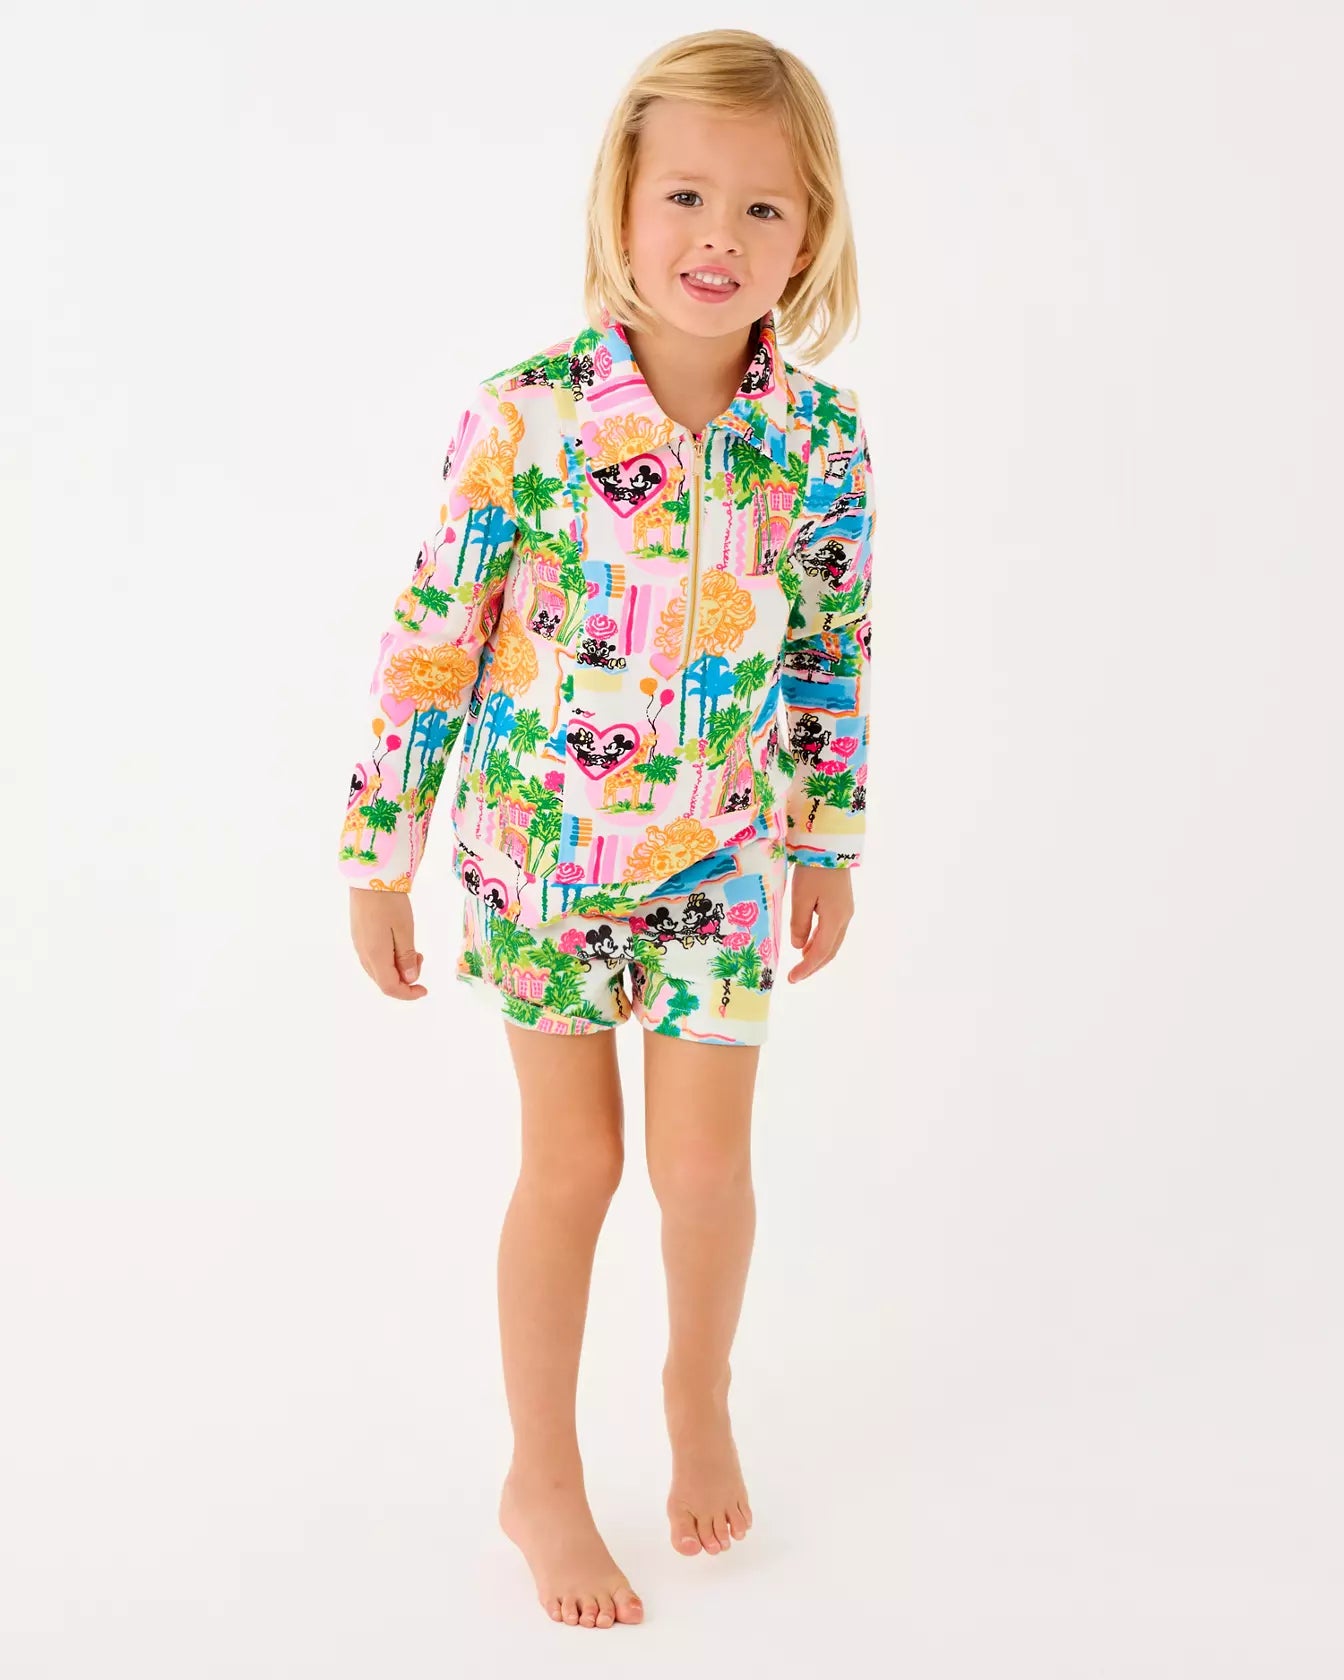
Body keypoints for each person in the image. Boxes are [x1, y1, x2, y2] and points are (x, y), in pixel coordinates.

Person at [337, 28, 876, 1631]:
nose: (720, 237)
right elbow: (432, 639)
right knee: (572, 1167)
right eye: (686, 197)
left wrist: (828, 841)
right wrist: (381, 854)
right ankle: (543, 1479)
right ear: (621, 207)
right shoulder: (529, 420)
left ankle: (697, 1389)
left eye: (764, 209)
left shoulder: (821, 443)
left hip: (725, 860)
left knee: (705, 1172)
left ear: (812, 235)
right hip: (543, 860)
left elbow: (831, 651)